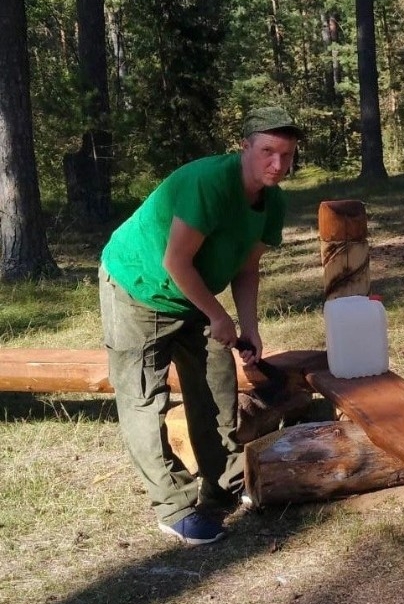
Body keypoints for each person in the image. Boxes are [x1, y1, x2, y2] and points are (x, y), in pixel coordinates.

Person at [98, 106, 304, 545]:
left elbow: (248, 269)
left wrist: (249, 327)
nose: (278, 165)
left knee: (215, 380)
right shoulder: (209, 183)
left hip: (194, 290)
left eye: (287, 155)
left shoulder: (274, 200)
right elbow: (175, 261)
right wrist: (217, 315)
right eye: (268, 151)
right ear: (244, 147)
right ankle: (173, 507)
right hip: (140, 285)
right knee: (143, 396)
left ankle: (224, 480)